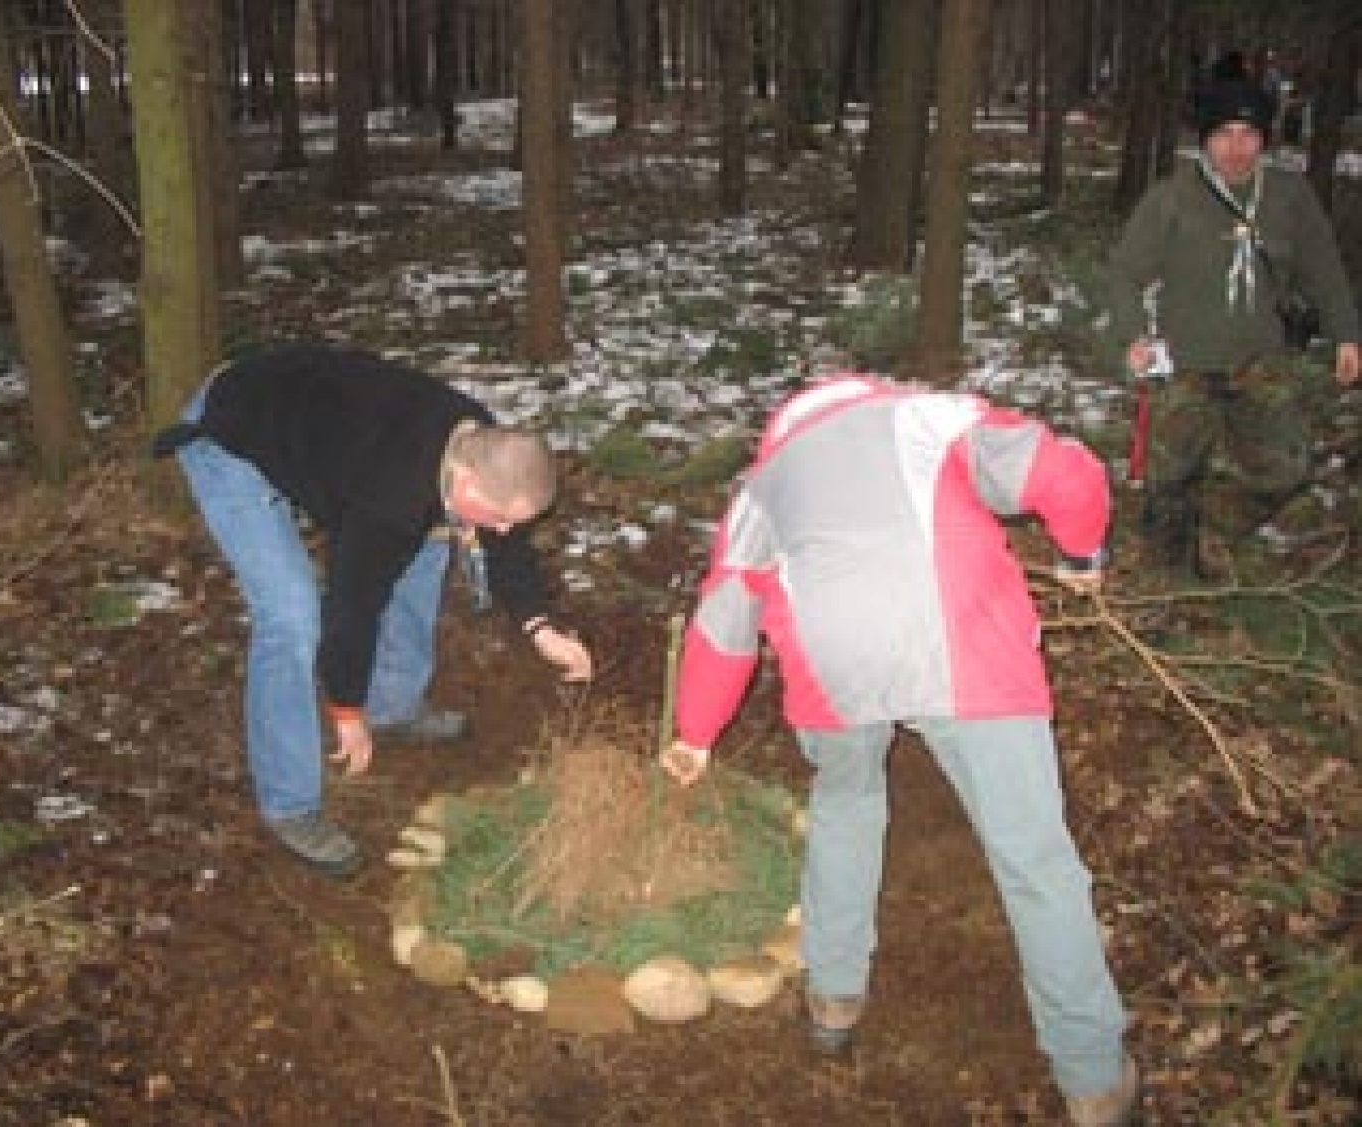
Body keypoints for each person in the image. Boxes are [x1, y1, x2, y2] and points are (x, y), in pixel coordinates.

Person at [659, 375, 1137, 1126]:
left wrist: (695, 732)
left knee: (846, 804)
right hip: (966, 653)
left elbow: (724, 618)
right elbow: (1058, 472)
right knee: (1033, 860)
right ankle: (1094, 1081)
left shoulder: (763, 486)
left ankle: (833, 998)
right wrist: (1082, 550)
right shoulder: (927, 418)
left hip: (833, 671)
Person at [155, 342, 593, 876]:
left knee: (430, 541)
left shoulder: (483, 444)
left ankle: (394, 706)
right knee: (292, 618)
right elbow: (352, 608)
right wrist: (346, 709)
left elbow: (507, 542)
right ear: (466, 479)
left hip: (319, 416)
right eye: (499, 516)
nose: (502, 529)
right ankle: (289, 804)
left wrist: (540, 626)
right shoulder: (388, 496)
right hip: (234, 431)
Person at [1108, 76, 1360, 580]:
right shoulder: (1172, 198)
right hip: (1184, 362)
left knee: (1288, 467)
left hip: (1258, 360)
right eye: (1223, 134)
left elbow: (1323, 269)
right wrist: (1134, 333)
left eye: (1249, 134)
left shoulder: (1288, 196)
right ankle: (1164, 587)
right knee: (1170, 481)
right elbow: (1124, 272)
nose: (1236, 148)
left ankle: (1217, 528)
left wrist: (1347, 334)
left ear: (1264, 139)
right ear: (1205, 139)